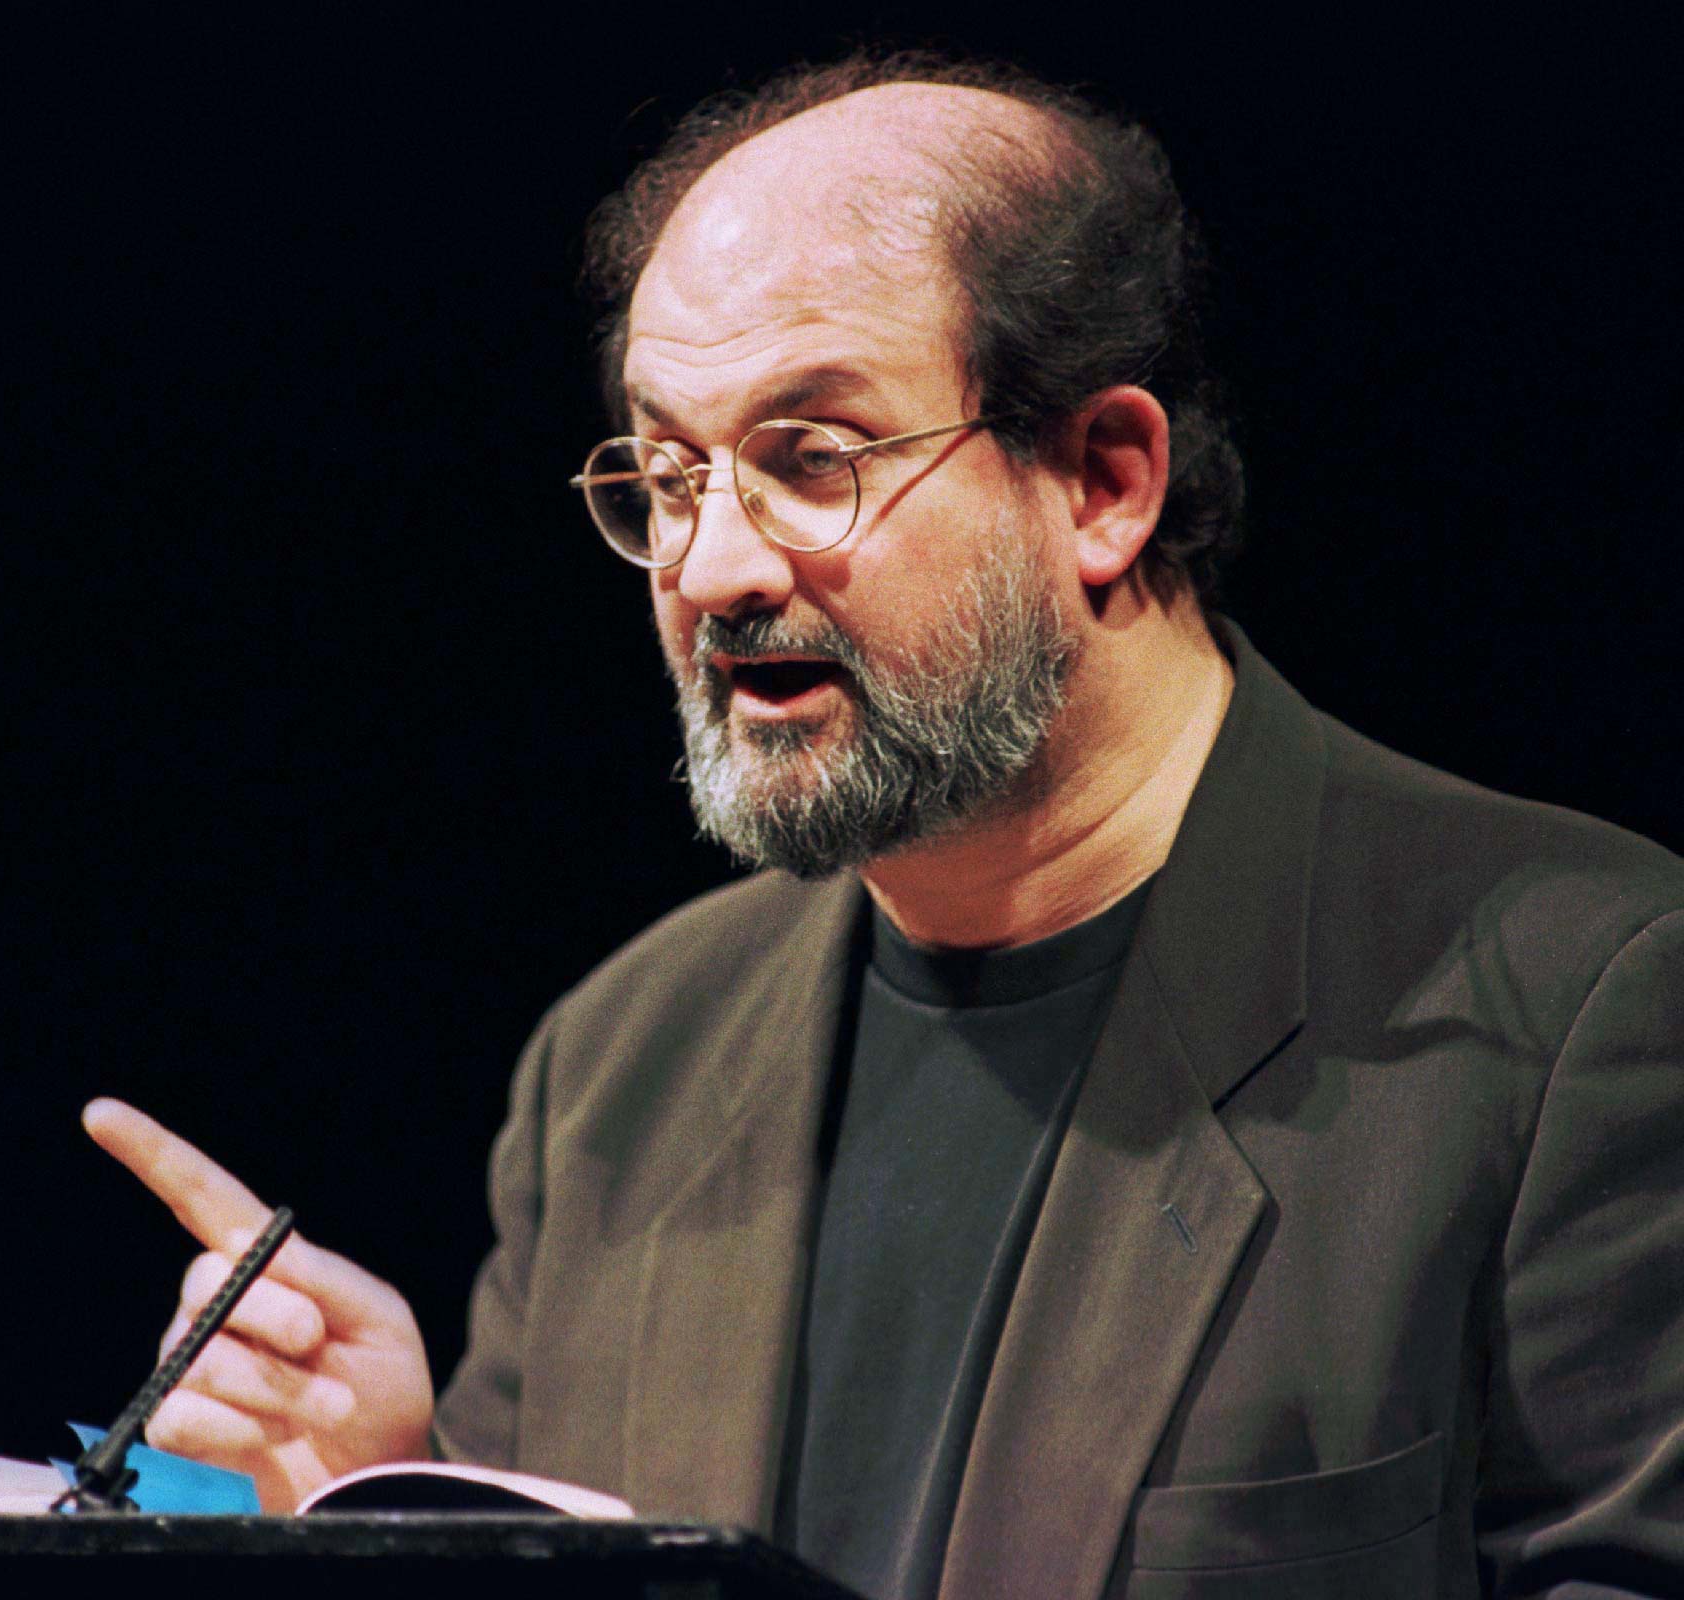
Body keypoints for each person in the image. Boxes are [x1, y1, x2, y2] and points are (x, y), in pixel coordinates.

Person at [84, 53, 1684, 1600]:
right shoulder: (620, 1069)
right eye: (670, 473)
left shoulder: (1580, 1010)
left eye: (811, 458)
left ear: (1104, 482)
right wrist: (399, 1509)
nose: (712, 568)